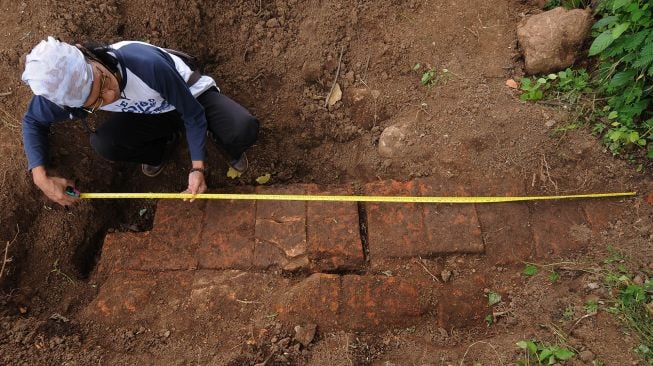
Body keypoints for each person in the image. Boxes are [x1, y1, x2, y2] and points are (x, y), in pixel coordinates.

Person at [21, 37, 259, 206]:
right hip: (150, 113)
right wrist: (40, 177)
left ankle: (214, 135)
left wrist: (198, 168)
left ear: (89, 56)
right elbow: (32, 120)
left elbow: (193, 113)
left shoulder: (144, 64)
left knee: (242, 129)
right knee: (105, 143)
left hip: (191, 98)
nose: (110, 96)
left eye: (103, 82)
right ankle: (164, 147)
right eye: (96, 102)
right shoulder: (68, 97)